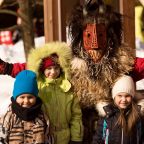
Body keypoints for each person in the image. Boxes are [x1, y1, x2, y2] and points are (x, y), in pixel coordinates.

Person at [0, 70, 51, 144]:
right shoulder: (9, 117)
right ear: (16, 98)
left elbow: (48, 137)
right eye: (22, 97)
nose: (26, 101)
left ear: (36, 97)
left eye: (30, 97)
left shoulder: (42, 117)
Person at [92, 75, 144, 144]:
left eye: (127, 96)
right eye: (120, 96)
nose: (124, 99)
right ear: (114, 97)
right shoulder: (107, 115)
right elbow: (98, 138)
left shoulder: (138, 114)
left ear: (132, 96)